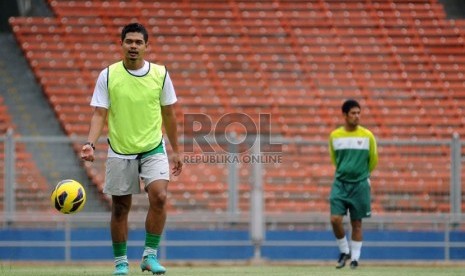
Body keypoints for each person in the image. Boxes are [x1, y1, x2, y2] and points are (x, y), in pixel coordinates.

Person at [80, 22, 183, 275]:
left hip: (152, 146)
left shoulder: (160, 74)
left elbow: (169, 114)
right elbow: (99, 113)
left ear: (147, 46)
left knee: (159, 196)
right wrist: (90, 143)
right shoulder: (108, 75)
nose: (133, 46)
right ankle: (121, 263)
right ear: (121, 44)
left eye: (139, 42)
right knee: (120, 208)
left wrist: (177, 150)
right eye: (129, 41)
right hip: (120, 149)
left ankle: (150, 256)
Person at [328, 99, 378, 269]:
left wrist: (362, 176)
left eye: (359, 113)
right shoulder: (335, 136)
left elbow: (373, 160)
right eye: (353, 113)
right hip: (340, 183)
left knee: (357, 223)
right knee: (335, 219)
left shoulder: (367, 135)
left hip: (360, 185)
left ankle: (355, 259)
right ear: (344, 115)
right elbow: (335, 159)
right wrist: (347, 171)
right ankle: (344, 251)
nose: (357, 116)